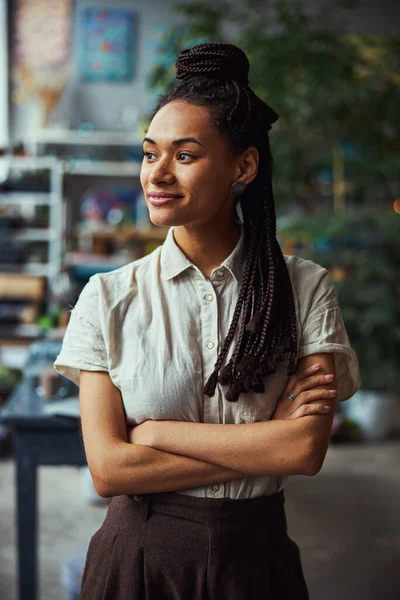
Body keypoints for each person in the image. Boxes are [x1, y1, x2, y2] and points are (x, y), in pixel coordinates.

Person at [53, 42, 360, 600]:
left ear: (243, 165)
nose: (158, 174)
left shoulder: (303, 287)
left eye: (185, 155)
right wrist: (262, 443)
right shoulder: (106, 297)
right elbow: (110, 471)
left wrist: (157, 435)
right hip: (137, 560)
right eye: (150, 154)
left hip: (257, 559)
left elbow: (303, 452)